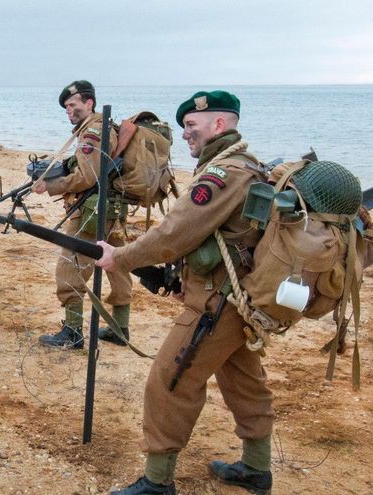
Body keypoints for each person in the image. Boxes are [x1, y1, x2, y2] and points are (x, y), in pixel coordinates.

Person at [96, 90, 274, 495]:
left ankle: (157, 482)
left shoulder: (223, 174)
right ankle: (256, 468)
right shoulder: (246, 165)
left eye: (192, 125)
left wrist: (119, 257)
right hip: (239, 299)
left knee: (169, 382)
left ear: (219, 124)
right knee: (244, 381)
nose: (185, 133)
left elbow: (174, 233)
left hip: (217, 304)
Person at [32, 80, 133, 349]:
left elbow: (87, 177)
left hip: (93, 212)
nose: (68, 110)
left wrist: (51, 186)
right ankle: (120, 328)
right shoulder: (103, 127)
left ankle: (73, 333)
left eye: (72, 105)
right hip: (112, 209)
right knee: (118, 265)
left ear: (89, 103)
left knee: (70, 266)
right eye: (66, 107)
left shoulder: (93, 132)